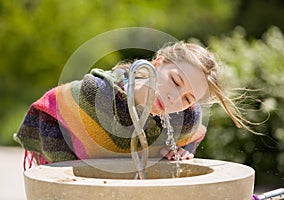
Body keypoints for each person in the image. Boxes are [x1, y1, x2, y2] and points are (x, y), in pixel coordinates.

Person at [14, 41, 246, 169]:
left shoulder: (185, 117)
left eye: (187, 98)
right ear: (157, 63)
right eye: (175, 81)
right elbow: (50, 110)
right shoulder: (95, 93)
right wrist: (75, 171)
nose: (174, 98)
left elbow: (192, 136)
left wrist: (182, 152)